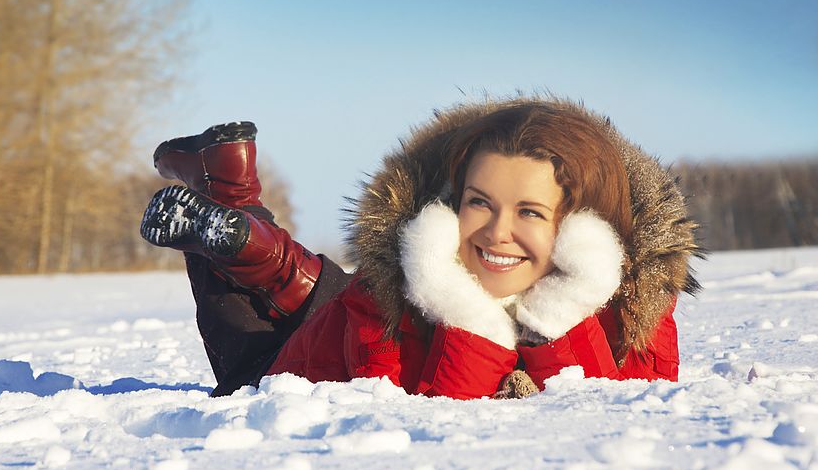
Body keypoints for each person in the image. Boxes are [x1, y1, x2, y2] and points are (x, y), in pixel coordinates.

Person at [140, 97, 701, 400]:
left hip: (333, 319)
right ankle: (229, 198)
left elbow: (608, 407)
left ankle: (229, 186)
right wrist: (460, 306)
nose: (495, 231)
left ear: (586, 232)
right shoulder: (410, 278)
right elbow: (437, 410)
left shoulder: (636, 301)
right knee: (247, 367)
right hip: (289, 370)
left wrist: (562, 309)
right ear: (448, 205)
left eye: (530, 211)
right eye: (478, 203)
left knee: (327, 295)